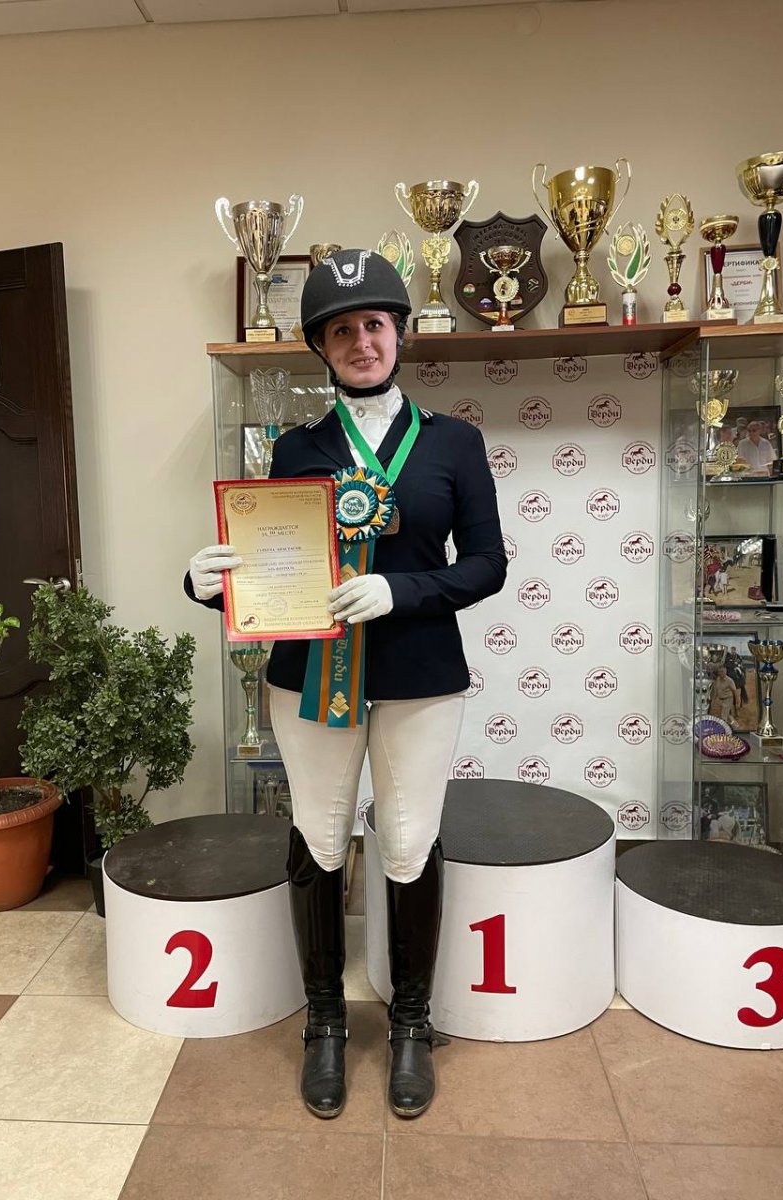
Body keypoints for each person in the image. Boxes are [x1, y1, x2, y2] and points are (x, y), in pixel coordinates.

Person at [186, 249, 507, 1120]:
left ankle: (411, 1024)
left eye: (374, 324)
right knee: (320, 836)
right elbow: (274, 565)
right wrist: (208, 582)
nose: (361, 342)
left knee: (408, 840)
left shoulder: (454, 442)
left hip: (419, 676)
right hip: (309, 680)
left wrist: (401, 590)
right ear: (321, 349)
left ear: (399, 333)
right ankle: (324, 1023)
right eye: (340, 331)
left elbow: (486, 564)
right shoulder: (296, 448)